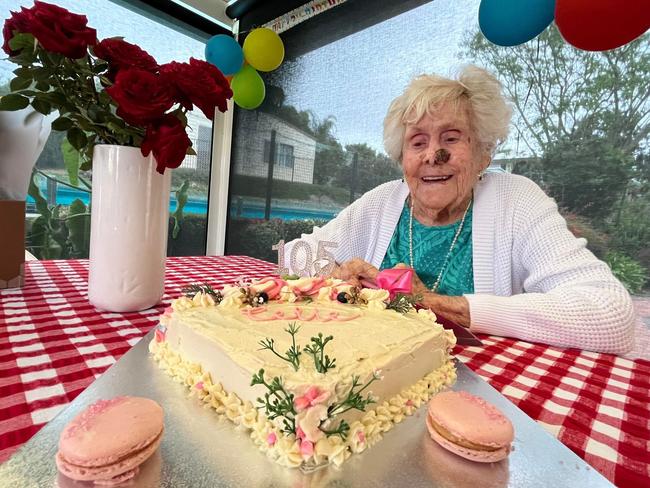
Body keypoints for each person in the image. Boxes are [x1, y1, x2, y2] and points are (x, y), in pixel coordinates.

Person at [285, 65, 634, 354]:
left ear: (483, 152)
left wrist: (437, 304)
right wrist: (337, 273)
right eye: (417, 142)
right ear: (402, 158)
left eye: (451, 138)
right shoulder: (382, 200)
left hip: (481, 384)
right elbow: (294, 256)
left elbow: (611, 315)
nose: (433, 156)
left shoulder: (516, 199)